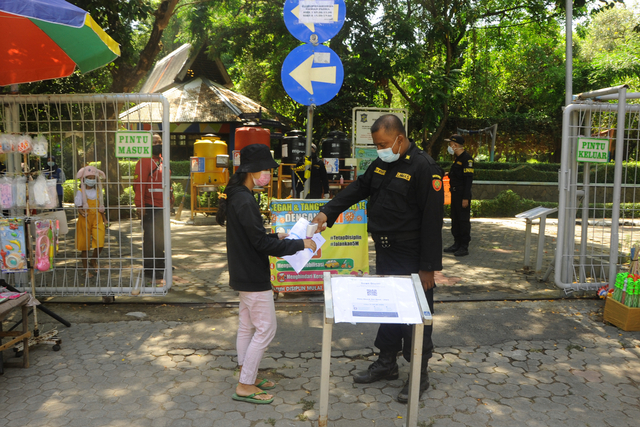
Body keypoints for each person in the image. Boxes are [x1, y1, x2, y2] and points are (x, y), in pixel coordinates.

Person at [311, 114, 444, 403]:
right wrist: (327, 212)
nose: (379, 149)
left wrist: (428, 267)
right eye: (376, 145)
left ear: (400, 138)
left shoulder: (425, 168)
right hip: (386, 251)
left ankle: (419, 374)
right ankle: (387, 363)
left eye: (383, 143)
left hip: (412, 255)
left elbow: (433, 222)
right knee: (390, 309)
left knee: (416, 315)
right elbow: (359, 188)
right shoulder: (384, 162)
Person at [216, 143, 317, 404]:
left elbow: (254, 238)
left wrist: (277, 235)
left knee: (247, 327)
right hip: (252, 276)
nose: (269, 175)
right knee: (266, 329)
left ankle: (245, 372)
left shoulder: (238, 194)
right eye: (266, 170)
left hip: (243, 272)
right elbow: (260, 245)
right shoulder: (244, 199)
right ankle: (245, 385)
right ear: (252, 171)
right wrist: (299, 244)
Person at [134, 133, 174, 284]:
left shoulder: (163, 160)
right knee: (151, 237)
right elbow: (140, 185)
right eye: (154, 142)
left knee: (162, 237)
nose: (157, 143)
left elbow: (167, 183)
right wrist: (140, 205)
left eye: (159, 141)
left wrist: (171, 200)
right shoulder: (144, 162)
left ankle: (161, 264)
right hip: (150, 205)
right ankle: (151, 268)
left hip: (162, 205)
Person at [443, 134, 474, 257]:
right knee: (455, 219)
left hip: (462, 194)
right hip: (455, 193)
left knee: (463, 220)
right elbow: (454, 174)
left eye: (450, 144)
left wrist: (465, 198)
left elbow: (468, 180)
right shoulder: (457, 159)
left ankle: (464, 246)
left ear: (455, 145)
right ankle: (456, 243)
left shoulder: (467, 159)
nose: (449, 147)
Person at [75, 165, 106, 277]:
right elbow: (79, 207)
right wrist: (82, 212)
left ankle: (93, 260)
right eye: (89, 178)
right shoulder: (80, 192)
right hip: (84, 220)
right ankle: (85, 269)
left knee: (100, 242)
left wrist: (105, 219)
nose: (91, 180)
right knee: (84, 246)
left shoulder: (98, 192)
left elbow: (101, 207)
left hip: (97, 219)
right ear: (83, 179)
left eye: (93, 178)